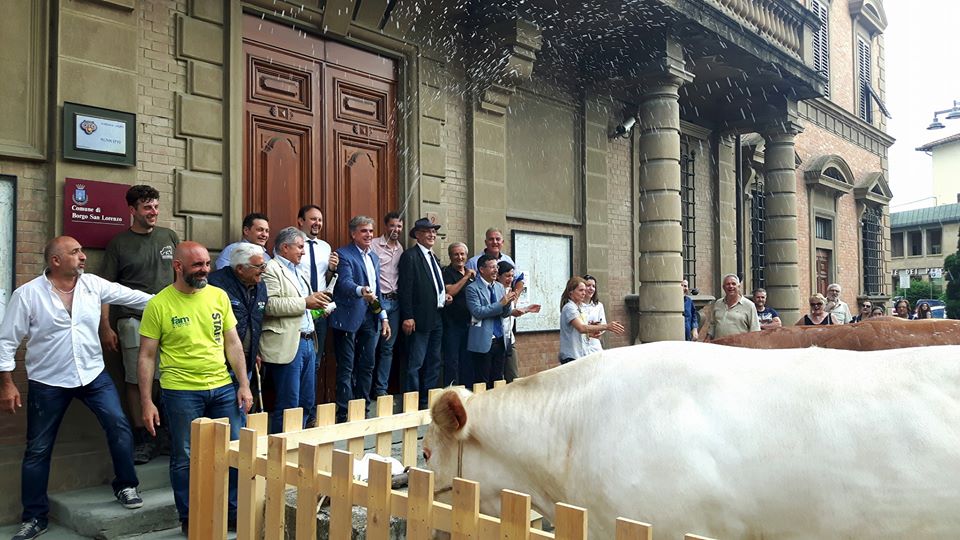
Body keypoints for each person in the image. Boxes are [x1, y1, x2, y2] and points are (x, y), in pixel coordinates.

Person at [1, 237, 150, 540]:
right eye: (75, 252)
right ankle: (34, 518)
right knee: (38, 449)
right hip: (48, 381)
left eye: (82, 251)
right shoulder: (27, 295)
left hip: (93, 375)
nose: (83, 257)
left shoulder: (93, 285)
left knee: (119, 426)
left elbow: (135, 297)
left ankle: (125, 484)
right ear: (55, 260)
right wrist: (7, 384)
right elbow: (6, 341)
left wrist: (176, 296)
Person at [136, 241, 253, 535]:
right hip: (180, 392)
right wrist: (147, 401)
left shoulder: (218, 296)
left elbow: (233, 343)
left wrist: (243, 384)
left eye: (207, 264)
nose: (205, 270)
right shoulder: (159, 304)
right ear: (178, 267)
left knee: (235, 450)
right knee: (184, 457)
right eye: (198, 265)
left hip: (223, 388)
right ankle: (189, 516)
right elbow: (147, 356)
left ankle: (232, 513)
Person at [99, 184, 179, 464]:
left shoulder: (169, 236)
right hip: (132, 320)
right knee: (136, 379)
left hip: (170, 319)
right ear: (132, 210)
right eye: (147, 207)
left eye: (156, 206)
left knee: (167, 375)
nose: (153, 212)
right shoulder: (119, 243)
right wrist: (105, 325)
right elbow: (105, 288)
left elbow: (179, 278)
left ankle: (166, 434)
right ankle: (143, 437)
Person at [260, 227, 329, 433]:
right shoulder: (271, 268)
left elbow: (303, 304)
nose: (303, 252)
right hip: (289, 343)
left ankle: (298, 447)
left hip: (309, 341)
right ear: (284, 247)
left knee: (307, 402)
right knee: (289, 405)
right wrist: (306, 302)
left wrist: (317, 306)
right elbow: (269, 305)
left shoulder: (299, 270)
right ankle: (280, 454)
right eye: (299, 247)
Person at [329, 216, 391, 422]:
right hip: (348, 318)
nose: (369, 235)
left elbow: (378, 289)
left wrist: (383, 316)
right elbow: (344, 283)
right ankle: (343, 413)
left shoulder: (374, 257)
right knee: (346, 367)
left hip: (370, 318)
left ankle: (362, 410)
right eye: (364, 231)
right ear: (353, 233)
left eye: (371, 231)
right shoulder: (344, 254)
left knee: (367, 365)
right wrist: (360, 290)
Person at [208, 243, 268, 409]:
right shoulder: (215, 284)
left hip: (247, 363)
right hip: (221, 366)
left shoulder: (260, 284)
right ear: (240, 268)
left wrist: (254, 350)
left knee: (241, 413)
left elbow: (257, 318)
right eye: (259, 266)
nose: (264, 270)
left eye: (264, 265)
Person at [398, 218, 451, 407]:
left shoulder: (433, 256)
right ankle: (411, 402)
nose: (432, 235)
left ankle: (427, 400)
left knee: (434, 361)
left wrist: (443, 296)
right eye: (427, 232)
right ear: (417, 235)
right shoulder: (410, 256)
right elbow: (405, 289)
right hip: (419, 319)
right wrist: (408, 316)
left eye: (434, 232)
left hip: (437, 316)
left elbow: (434, 284)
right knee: (415, 362)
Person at [296, 205, 338, 379]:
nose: (317, 223)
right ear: (301, 221)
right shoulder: (293, 244)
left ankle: (309, 405)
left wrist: (332, 268)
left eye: (320, 220)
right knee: (297, 361)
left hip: (320, 310)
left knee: (315, 360)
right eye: (313, 219)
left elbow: (326, 278)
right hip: (300, 308)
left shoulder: (325, 247)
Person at [465, 255, 517, 386]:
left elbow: (505, 314)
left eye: (497, 267)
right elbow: (478, 312)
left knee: (498, 380)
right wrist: (501, 304)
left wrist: (508, 303)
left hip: (500, 340)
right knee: (482, 382)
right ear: (482, 270)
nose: (496, 270)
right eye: (492, 267)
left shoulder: (499, 287)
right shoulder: (472, 288)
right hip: (483, 341)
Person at [370, 212, 403, 399]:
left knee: (388, 348)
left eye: (399, 226)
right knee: (371, 346)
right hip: (377, 301)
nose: (396, 230)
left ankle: (381, 390)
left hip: (395, 303)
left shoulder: (401, 249)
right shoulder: (374, 245)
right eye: (392, 226)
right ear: (385, 227)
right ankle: (364, 389)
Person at [558, 276, 624, 364]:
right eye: (581, 290)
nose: (584, 293)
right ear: (571, 293)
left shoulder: (578, 307)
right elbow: (581, 328)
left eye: (585, 291)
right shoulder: (569, 308)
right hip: (571, 356)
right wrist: (607, 326)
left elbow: (579, 332)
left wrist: (591, 334)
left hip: (581, 355)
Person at [498, 262, 540, 381]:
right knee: (497, 378)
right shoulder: (496, 291)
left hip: (509, 339)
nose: (510, 279)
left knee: (513, 376)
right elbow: (500, 312)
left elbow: (511, 312)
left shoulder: (510, 291)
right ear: (498, 276)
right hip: (497, 339)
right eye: (507, 276)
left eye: (512, 276)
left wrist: (526, 309)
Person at [441, 242, 475, 385]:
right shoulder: (446, 273)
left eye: (462, 254)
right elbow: (450, 291)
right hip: (452, 325)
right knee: (452, 362)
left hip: (470, 324)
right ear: (450, 256)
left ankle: (466, 393)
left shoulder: (471, 273)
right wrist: (466, 277)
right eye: (456, 254)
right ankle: (452, 392)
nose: (459, 257)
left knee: (467, 361)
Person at [705, 274, 760, 340]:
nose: (731, 286)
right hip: (719, 346)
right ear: (723, 287)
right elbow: (712, 325)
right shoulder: (718, 303)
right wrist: (707, 339)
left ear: (739, 286)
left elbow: (755, 330)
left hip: (739, 347)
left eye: (733, 284)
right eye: (728, 284)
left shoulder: (749, 305)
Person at [582, 275, 607, 355]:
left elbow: (603, 325)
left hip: (595, 345)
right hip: (581, 345)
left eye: (593, 286)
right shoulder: (576, 306)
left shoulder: (599, 306)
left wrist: (598, 329)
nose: (591, 288)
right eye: (588, 285)